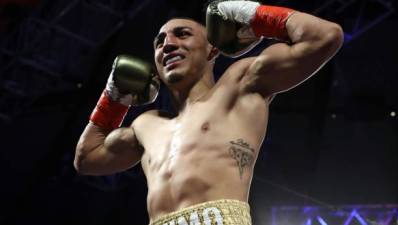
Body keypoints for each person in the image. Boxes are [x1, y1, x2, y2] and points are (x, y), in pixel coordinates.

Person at [74, 1, 344, 224]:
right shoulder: (147, 125)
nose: (167, 44)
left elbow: (324, 36)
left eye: (182, 34)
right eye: (159, 42)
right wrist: (114, 98)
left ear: (212, 48)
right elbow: (87, 157)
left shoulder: (239, 84)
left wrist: (254, 15)